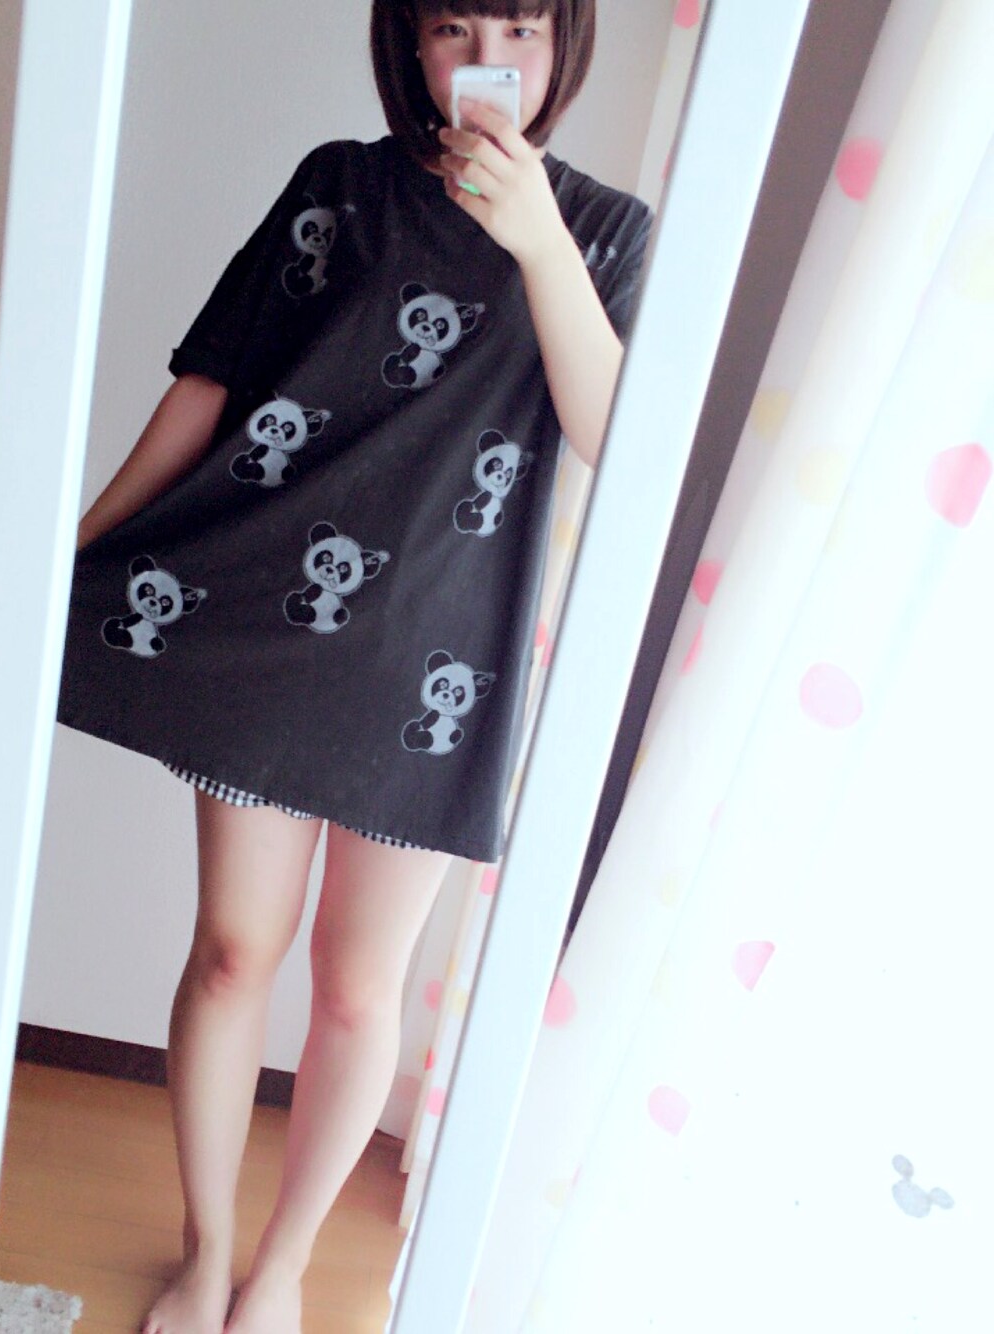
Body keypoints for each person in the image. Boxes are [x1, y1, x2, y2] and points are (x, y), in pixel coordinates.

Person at [58, 2, 651, 1329]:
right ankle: (207, 1251)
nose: (488, 60)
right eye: (453, 26)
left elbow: (615, 431)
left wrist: (538, 239)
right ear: (407, 44)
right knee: (232, 953)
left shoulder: (605, 232)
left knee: (357, 988)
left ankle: (279, 1269)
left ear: (567, 42)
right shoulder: (339, 186)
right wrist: (75, 549)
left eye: (521, 27)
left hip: (440, 657)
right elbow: (210, 384)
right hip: (268, 612)